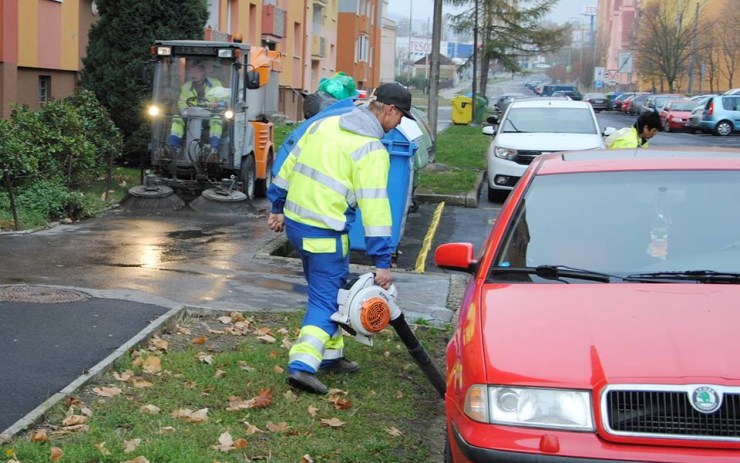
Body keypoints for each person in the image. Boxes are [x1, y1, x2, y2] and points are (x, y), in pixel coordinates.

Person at [266, 82, 415, 395]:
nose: (399, 124)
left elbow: (288, 163)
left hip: (296, 225)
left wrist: (277, 206)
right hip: (325, 233)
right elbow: (376, 210)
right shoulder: (372, 151)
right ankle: (303, 366)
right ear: (388, 110)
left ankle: (331, 356)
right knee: (324, 299)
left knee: (328, 292)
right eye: (400, 117)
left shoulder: (327, 124)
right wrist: (382, 262)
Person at [168, 61, 226, 155]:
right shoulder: (186, 87)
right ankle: (174, 148)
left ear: (203, 72)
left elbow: (223, 101)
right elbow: (182, 103)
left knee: (217, 120)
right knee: (177, 119)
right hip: (191, 115)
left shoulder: (215, 83)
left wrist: (216, 104)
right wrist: (185, 112)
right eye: (191, 72)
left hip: (209, 115)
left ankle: (213, 148)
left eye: (196, 72)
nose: (193, 75)